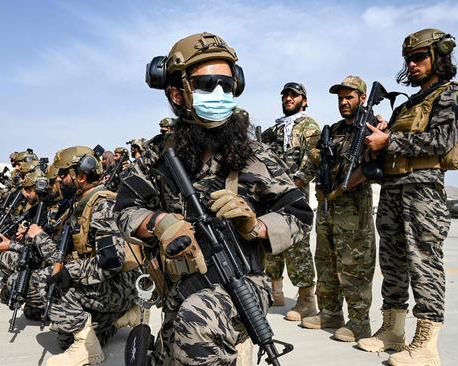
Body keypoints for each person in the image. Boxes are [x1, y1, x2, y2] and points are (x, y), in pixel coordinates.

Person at [116, 32, 313, 365]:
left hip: (240, 286)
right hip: (178, 289)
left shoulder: (256, 155)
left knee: (196, 327)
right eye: (207, 84)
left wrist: (257, 226)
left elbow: (299, 214)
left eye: (227, 84)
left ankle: (238, 344)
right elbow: (123, 210)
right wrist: (158, 222)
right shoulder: (158, 155)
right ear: (178, 94)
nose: (220, 93)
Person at [358, 29, 458, 366]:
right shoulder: (408, 104)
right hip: (393, 189)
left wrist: (389, 141)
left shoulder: (453, 95)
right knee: (392, 263)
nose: (412, 64)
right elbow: (388, 142)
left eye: (420, 57)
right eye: (408, 59)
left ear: (439, 55)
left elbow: (441, 141)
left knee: (424, 264)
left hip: (423, 192)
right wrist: (380, 134)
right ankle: (392, 331)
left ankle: (426, 344)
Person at [16, 146, 139, 366]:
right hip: (107, 285)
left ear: (81, 177)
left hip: (120, 284)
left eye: (63, 174)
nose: (58, 180)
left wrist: (66, 271)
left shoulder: (103, 206)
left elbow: (110, 263)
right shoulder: (80, 204)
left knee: (46, 278)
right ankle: (121, 318)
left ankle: (87, 349)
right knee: (64, 339)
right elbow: (63, 255)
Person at [298, 76, 379, 342]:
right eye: (340, 98)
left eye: (349, 97)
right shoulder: (333, 131)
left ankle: (359, 323)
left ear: (362, 98)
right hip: (327, 208)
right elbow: (315, 162)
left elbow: (371, 168)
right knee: (326, 262)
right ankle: (331, 313)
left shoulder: (371, 129)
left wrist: (343, 188)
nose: (344, 102)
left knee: (355, 266)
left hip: (354, 211)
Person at [261, 82, 320, 321]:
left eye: (294, 95)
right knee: (271, 240)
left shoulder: (309, 126)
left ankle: (307, 299)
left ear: (303, 101)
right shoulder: (273, 130)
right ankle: (275, 292)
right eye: (285, 95)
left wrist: (297, 182)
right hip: (272, 195)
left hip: (294, 193)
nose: (288, 98)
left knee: (297, 244)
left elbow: (313, 159)